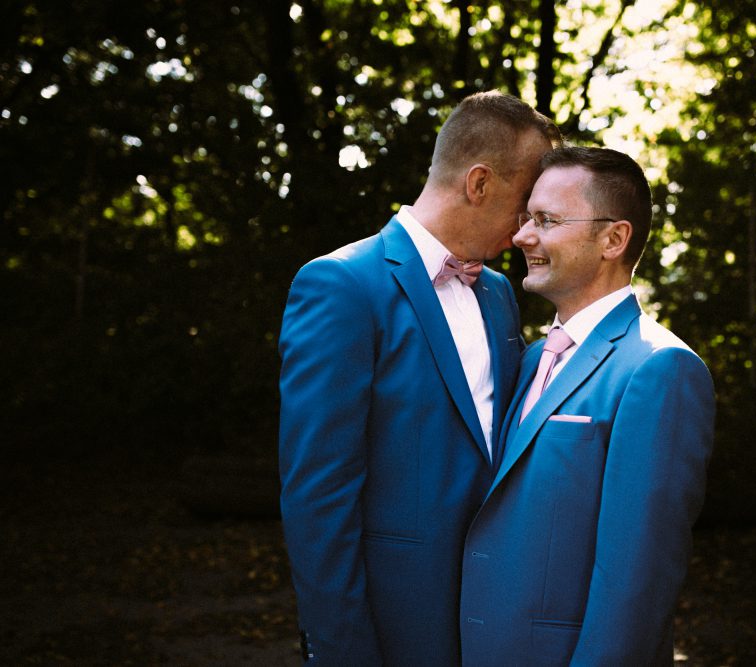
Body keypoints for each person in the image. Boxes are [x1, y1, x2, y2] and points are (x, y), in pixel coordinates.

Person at [278, 91, 561, 666]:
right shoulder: (341, 286)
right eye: (526, 203)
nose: (529, 228)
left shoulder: (499, 294)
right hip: (392, 623)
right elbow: (317, 498)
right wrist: (343, 652)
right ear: (479, 184)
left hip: (493, 619)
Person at [460, 146, 715, 666]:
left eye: (546, 220)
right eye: (527, 218)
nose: (522, 236)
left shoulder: (659, 368)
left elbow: (637, 579)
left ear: (613, 238)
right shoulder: (532, 359)